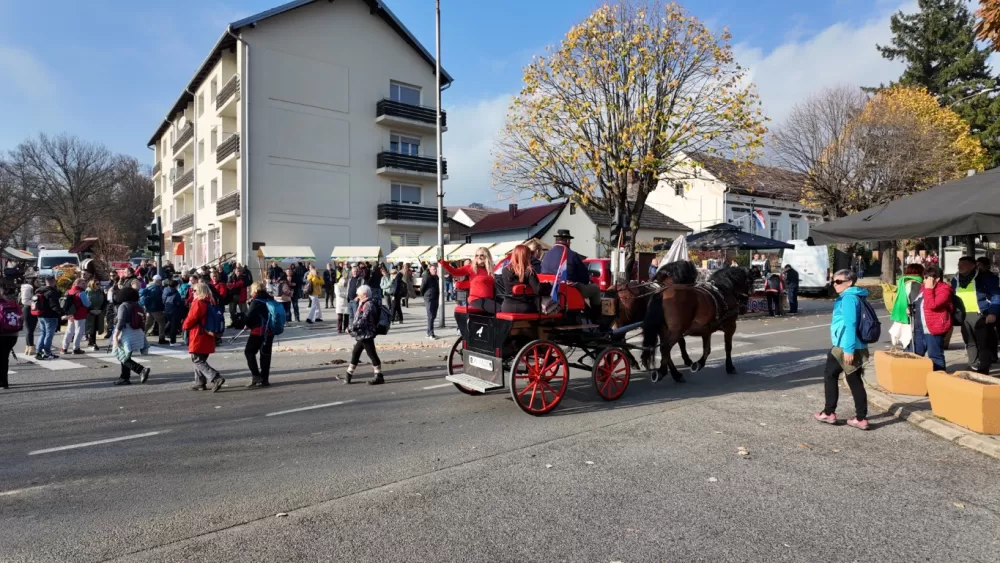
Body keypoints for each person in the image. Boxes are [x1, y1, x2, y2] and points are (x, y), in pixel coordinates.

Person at [814, 269, 870, 430]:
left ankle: (831, 413)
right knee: (851, 379)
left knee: (832, 375)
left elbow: (850, 324)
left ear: (849, 282)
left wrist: (849, 349)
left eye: (838, 281)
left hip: (845, 346)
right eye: (833, 281)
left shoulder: (849, 298)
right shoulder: (856, 296)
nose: (835, 284)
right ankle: (858, 416)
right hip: (852, 344)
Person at [952, 256, 1000, 374]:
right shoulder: (956, 279)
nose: (960, 266)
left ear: (973, 265)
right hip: (964, 315)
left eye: (963, 264)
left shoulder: (985, 278)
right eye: (959, 264)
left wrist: (993, 313)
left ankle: (984, 369)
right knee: (969, 342)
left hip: (981, 315)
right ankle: (972, 365)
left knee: (983, 343)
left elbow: (996, 295)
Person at [541, 230, 601, 312]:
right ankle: (596, 317)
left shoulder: (546, 254)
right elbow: (585, 278)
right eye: (570, 241)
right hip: (567, 290)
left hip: (549, 288)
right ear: (567, 241)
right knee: (596, 289)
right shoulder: (572, 255)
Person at [182, 283, 225, 392]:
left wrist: (184, 326)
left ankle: (215, 377)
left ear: (199, 291)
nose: (193, 292)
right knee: (200, 359)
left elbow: (191, 318)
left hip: (198, 334)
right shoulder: (210, 301)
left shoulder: (198, 303)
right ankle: (200, 383)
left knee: (197, 360)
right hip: (208, 334)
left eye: (194, 290)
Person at [913, 265, 953, 372]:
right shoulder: (924, 287)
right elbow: (919, 303)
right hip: (920, 327)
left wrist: (929, 289)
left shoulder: (944, 290)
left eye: (928, 278)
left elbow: (932, 305)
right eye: (924, 277)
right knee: (916, 354)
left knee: (935, 356)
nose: (925, 280)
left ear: (937, 279)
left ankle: (939, 379)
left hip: (934, 328)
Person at [111, 285, 151, 386]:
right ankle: (124, 377)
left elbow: (121, 322)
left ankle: (141, 370)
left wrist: (115, 336)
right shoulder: (138, 306)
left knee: (120, 355)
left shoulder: (123, 306)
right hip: (137, 332)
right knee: (125, 355)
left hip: (126, 333)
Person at [344, 285, 383, 385]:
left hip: (366, 334)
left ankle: (379, 376)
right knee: (356, 352)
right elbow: (358, 317)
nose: (357, 296)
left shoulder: (369, 304)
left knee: (372, 355)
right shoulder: (363, 303)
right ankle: (348, 375)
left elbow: (363, 320)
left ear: (364, 294)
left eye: (359, 294)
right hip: (362, 333)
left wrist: (351, 328)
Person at [439, 248, 495, 313]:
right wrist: (443, 263)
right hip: (477, 299)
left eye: (481, 255)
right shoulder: (471, 268)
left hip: (489, 299)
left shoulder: (490, 269)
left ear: (486, 256)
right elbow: (455, 272)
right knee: (500, 309)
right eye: (476, 255)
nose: (479, 257)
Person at [244, 282, 275, 388]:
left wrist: (246, 324)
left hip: (258, 331)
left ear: (255, 290)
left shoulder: (256, 301)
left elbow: (249, 317)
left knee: (249, 352)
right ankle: (265, 379)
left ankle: (256, 376)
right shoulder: (270, 299)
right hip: (270, 331)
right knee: (265, 355)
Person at [501, 245, 541, 314]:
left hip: (506, 307)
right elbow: (538, 290)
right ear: (526, 256)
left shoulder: (505, 270)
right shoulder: (529, 271)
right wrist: (549, 285)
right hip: (524, 306)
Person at [61, 278, 91, 355]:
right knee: (79, 331)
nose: (84, 284)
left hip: (71, 314)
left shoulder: (69, 291)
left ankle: (64, 348)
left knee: (69, 331)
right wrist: (90, 302)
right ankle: (75, 348)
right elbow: (86, 304)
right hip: (80, 314)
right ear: (77, 284)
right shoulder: (81, 293)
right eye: (83, 283)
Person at [0, 287, 21, 389]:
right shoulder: (12, 303)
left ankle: (3, 382)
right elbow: (21, 317)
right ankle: (4, 382)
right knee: (4, 358)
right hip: (12, 335)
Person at [141, 275, 168, 345]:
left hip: (148, 308)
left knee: (148, 323)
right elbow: (159, 300)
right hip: (156, 309)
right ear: (158, 281)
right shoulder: (157, 288)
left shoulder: (148, 286)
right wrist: (162, 308)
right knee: (162, 323)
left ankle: (140, 336)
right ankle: (161, 338)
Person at [85, 279, 106, 351]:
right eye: (97, 284)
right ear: (92, 284)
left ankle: (92, 342)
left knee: (97, 327)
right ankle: (92, 343)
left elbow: (105, 302)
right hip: (90, 312)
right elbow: (85, 302)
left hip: (99, 312)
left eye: (99, 284)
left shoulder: (101, 292)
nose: (98, 285)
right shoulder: (87, 291)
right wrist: (91, 310)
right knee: (91, 328)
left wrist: (101, 310)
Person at [163, 279, 185, 346]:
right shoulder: (176, 293)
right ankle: (173, 341)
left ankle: (164, 332)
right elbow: (178, 304)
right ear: (176, 286)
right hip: (174, 311)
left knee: (170, 322)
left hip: (167, 309)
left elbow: (163, 300)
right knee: (173, 326)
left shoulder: (165, 290)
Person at [18, 278, 36, 356]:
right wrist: (35, 303)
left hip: (28, 309)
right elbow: (25, 301)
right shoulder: (28, 288)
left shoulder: (27, 288)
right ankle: (30, 347)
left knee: (29, 330)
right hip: (28, 309)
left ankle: (28, 347)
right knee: (29, 330)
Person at [421, 263, 440, 339]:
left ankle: (428, 332)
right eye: (433, 269)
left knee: (433, 315)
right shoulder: (427, 277)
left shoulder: (436, 277)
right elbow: (422, 287)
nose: (435, 270)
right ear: (429, 269)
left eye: (435, 269)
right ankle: (431, 333)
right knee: (431, 315)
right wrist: (425, 295)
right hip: (429, 297)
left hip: (435, 297)